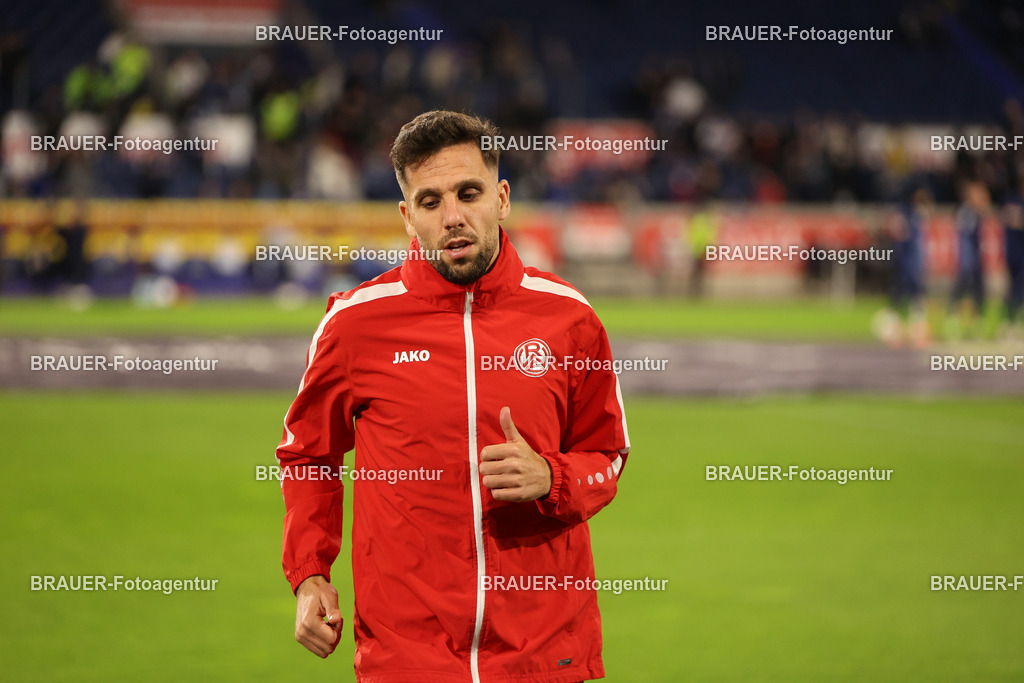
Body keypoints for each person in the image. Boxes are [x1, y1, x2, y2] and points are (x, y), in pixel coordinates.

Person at [276, 110, 630, 682]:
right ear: (406, 217)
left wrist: (553, 478)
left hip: (541, 655)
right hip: (406, 659)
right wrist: (311, 571)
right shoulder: (354, 324)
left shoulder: (570, 318)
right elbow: (307, 454)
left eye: (469, 193)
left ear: (503, 198)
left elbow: (607, 455)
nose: (453, 216)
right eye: (431, 201)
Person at [947, 180, 991, 339]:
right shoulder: (966, 213)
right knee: (961, 292)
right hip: (967, 263)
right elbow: (965, 239)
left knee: (978, 295)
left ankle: (975, 325)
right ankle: (955, 323)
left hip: (976, 262)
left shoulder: (974, 214)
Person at [1001, 177, 1024, 337]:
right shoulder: (1013, 199)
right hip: (1014, 253)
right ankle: (1010, 321)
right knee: (1016, 286)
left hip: (1018, 251)